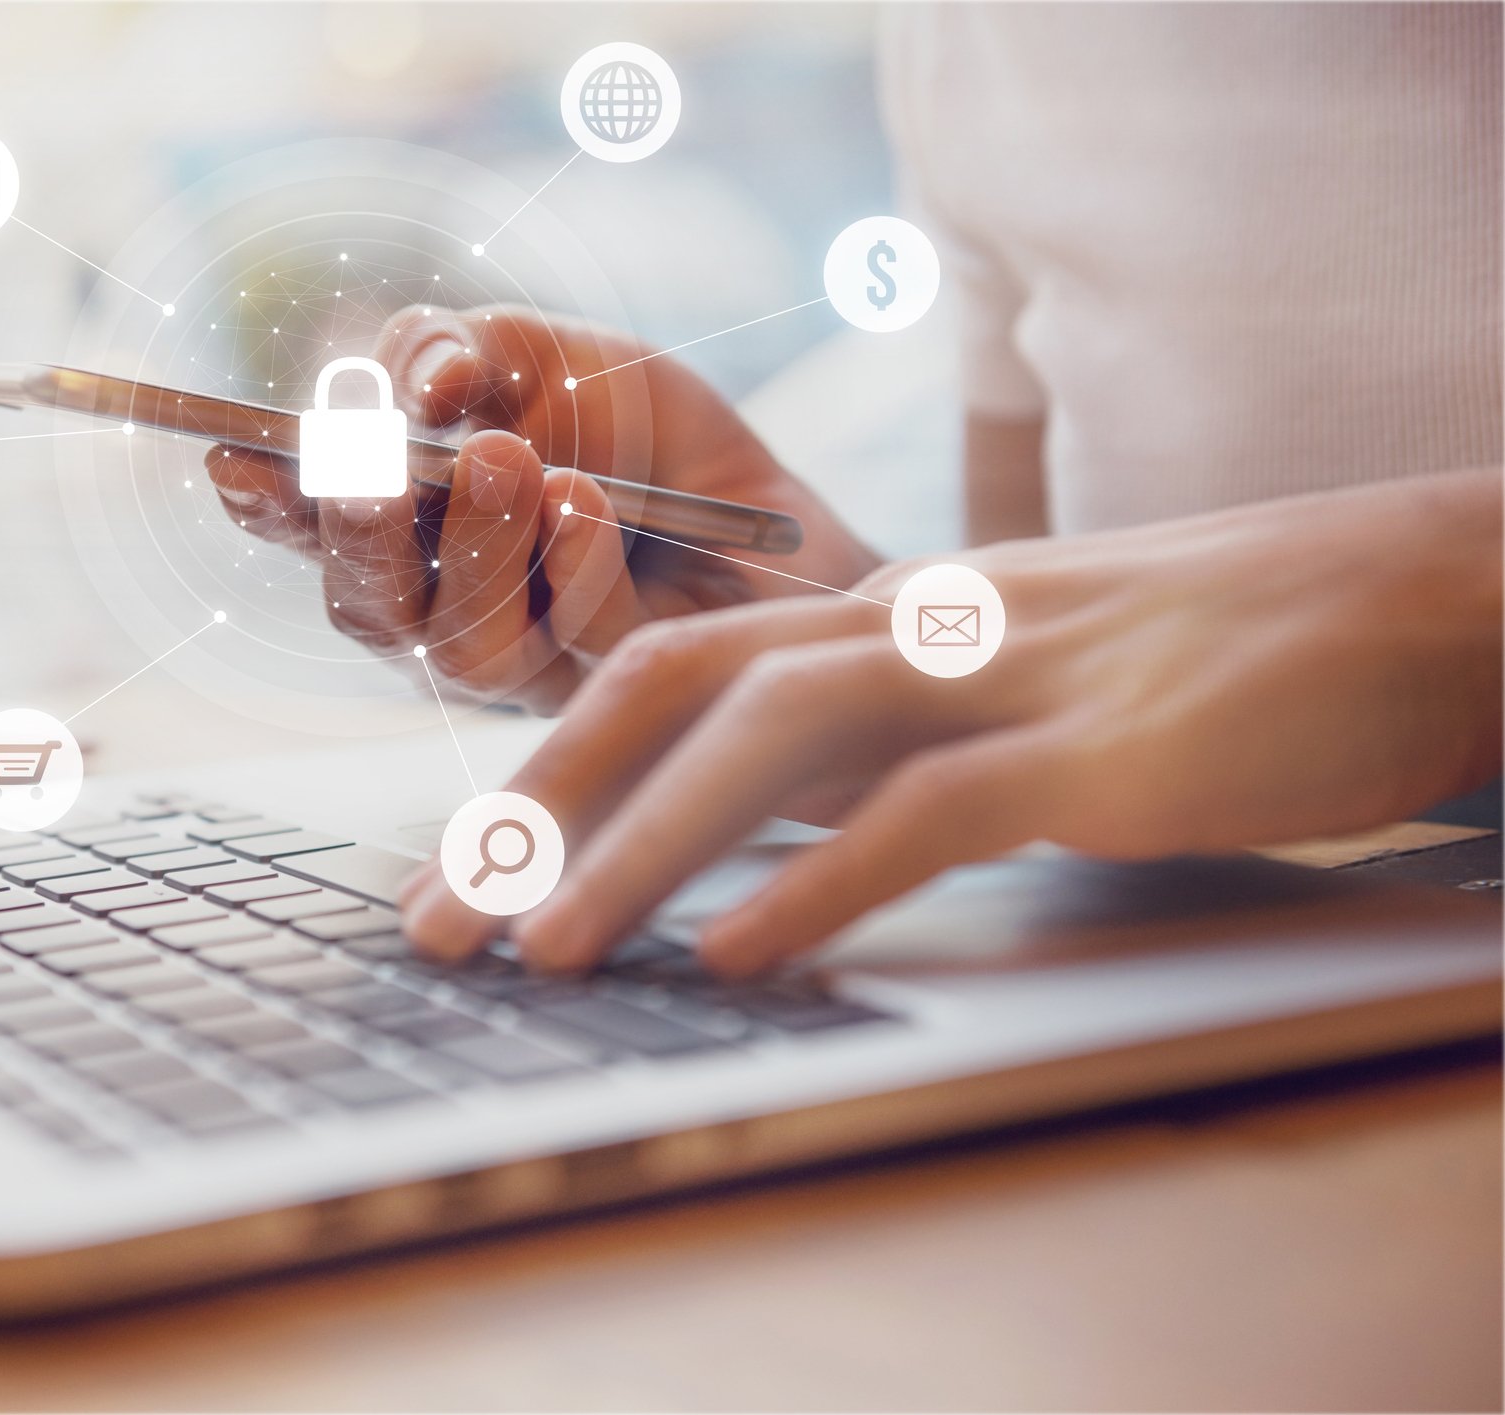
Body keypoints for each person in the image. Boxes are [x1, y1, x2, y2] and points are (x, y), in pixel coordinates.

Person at [207, 4, 1503, 977]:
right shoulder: (979, 37)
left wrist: (1464, 603)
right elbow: (1073, 643)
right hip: (1247, 1014)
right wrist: (837, 635)